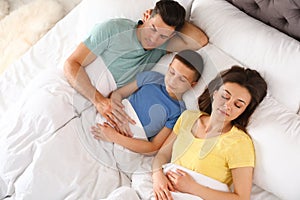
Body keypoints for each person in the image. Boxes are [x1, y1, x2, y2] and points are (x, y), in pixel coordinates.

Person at [64, 0, 208, 134]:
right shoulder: (114, 29)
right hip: (70, 87)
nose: (154, 39)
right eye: (152, 28)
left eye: (163, 36)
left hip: (95, 109)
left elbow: (200, 40)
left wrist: (176, 24)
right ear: (146, 17)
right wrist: (99, 101)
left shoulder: (162, 47)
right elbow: (71, 64)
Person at [152, 66, 268, 200]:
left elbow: (242, 198)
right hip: (164, 189)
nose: (227, 105)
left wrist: (192, 187)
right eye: (225, 96)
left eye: (238, 105)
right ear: (215, 93)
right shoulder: (188, 117)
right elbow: (162, 155)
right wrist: (157, 177)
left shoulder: (239, 142)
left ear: (244, 111)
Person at [91, 49, 204, 156]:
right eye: (172, 72)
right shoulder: (152, 78)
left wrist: (114, 136)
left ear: (192, 84)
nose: (172, 81)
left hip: (131, 140)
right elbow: (118, 94)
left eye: (182, 79)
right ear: (169, 67)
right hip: (116, 118)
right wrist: (118, 116)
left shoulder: (179, 112)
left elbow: (153, 148)